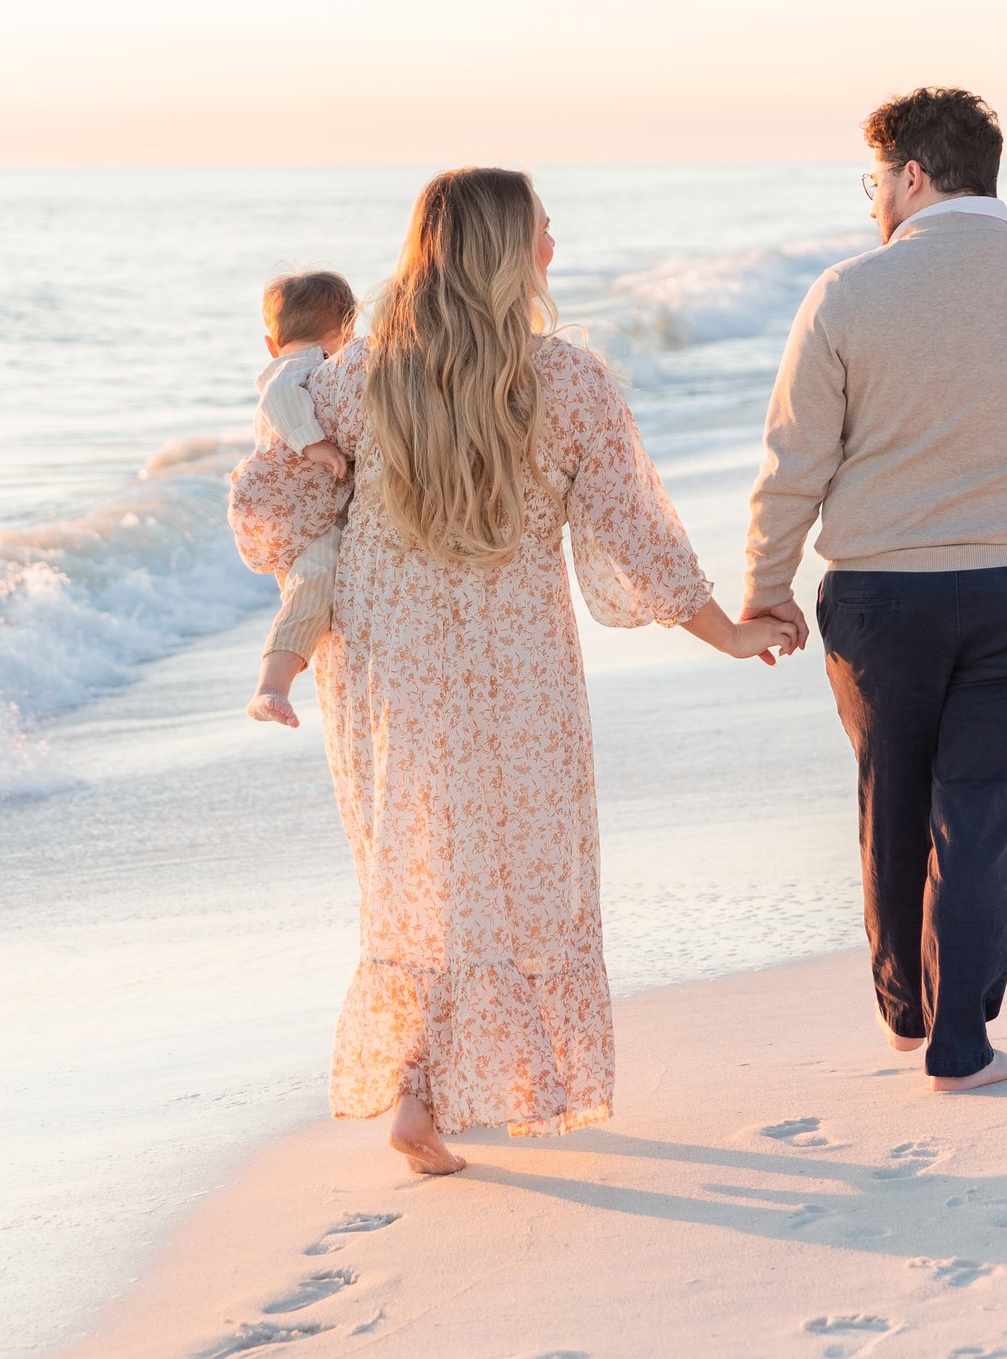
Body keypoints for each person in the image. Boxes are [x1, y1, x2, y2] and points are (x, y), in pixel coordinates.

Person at [229, 167, 798, 1176]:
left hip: (384, 655)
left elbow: (271, 520)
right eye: (541, 230)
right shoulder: (564, 378)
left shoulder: (352, 376)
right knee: (515, 869)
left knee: (414, 862)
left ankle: (414, 1085)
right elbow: (633, 533)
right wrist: (727, 631)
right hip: (515, 657)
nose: (553, 245)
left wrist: (309, 472)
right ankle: (437, 1089)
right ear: (503, 252)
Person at [741, 89, 1007, 1092]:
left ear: (911, 176)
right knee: (979, 813)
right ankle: (962, 1039)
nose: (874, 197)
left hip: (882, 597)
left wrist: (766, 586)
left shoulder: (845, 290)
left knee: (895, 797)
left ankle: (905, 1010)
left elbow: (794, 458)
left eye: (878, 178)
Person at [245, 270, 359, 728]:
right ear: (346, 333)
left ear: (271, 341)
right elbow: (280, 396)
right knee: (313, 583)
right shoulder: (304, 363)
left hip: (293, 512)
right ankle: (271, 685)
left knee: (305, 592)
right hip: (299, 518)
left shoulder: (293, 359)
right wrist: (314, 443)